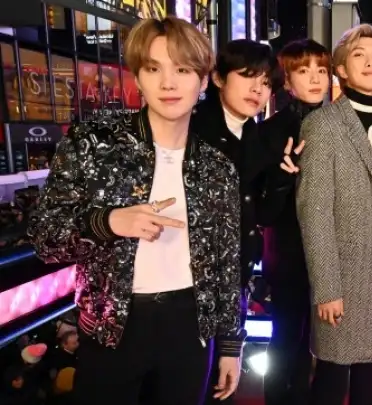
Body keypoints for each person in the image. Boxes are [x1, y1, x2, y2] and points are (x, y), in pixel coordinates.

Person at [27, 17, 244, 405]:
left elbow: (226, 264)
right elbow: (45, 237)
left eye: (182, 70)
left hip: (189, 328)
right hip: (112, 329)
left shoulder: (217, 168)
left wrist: (230, 345)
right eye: (153, 69)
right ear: (138, 78)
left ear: (203, 81)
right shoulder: (93, 143)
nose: (168, 83)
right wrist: (108, 221)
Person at [295, 23, 372, 405]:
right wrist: (327, 288)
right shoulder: (322, 124)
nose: (370, 62)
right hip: (342, 273)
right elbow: (315, 212)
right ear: (340, 68)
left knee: (369, 379)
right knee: (330, 378)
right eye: (359, 55)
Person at [189, 38, 282, 405]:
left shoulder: (258, 137)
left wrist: (282, 179)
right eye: (247, 76)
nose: (257, 89)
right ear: (217, 78)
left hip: (233, 279)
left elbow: (264, 215)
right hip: (186, 286)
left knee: (219, 385)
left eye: (265, 82)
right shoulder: (191, 130)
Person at [257, 38, 330, 405]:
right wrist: (284, 179)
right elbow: (263, 212)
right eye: (304, 70)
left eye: (322, 70)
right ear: (287, 81)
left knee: (320, 345)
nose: (315, 79)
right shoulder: (271, 131)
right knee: (287, 339)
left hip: (333, 257)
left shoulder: (340, 125)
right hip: (288, 256)